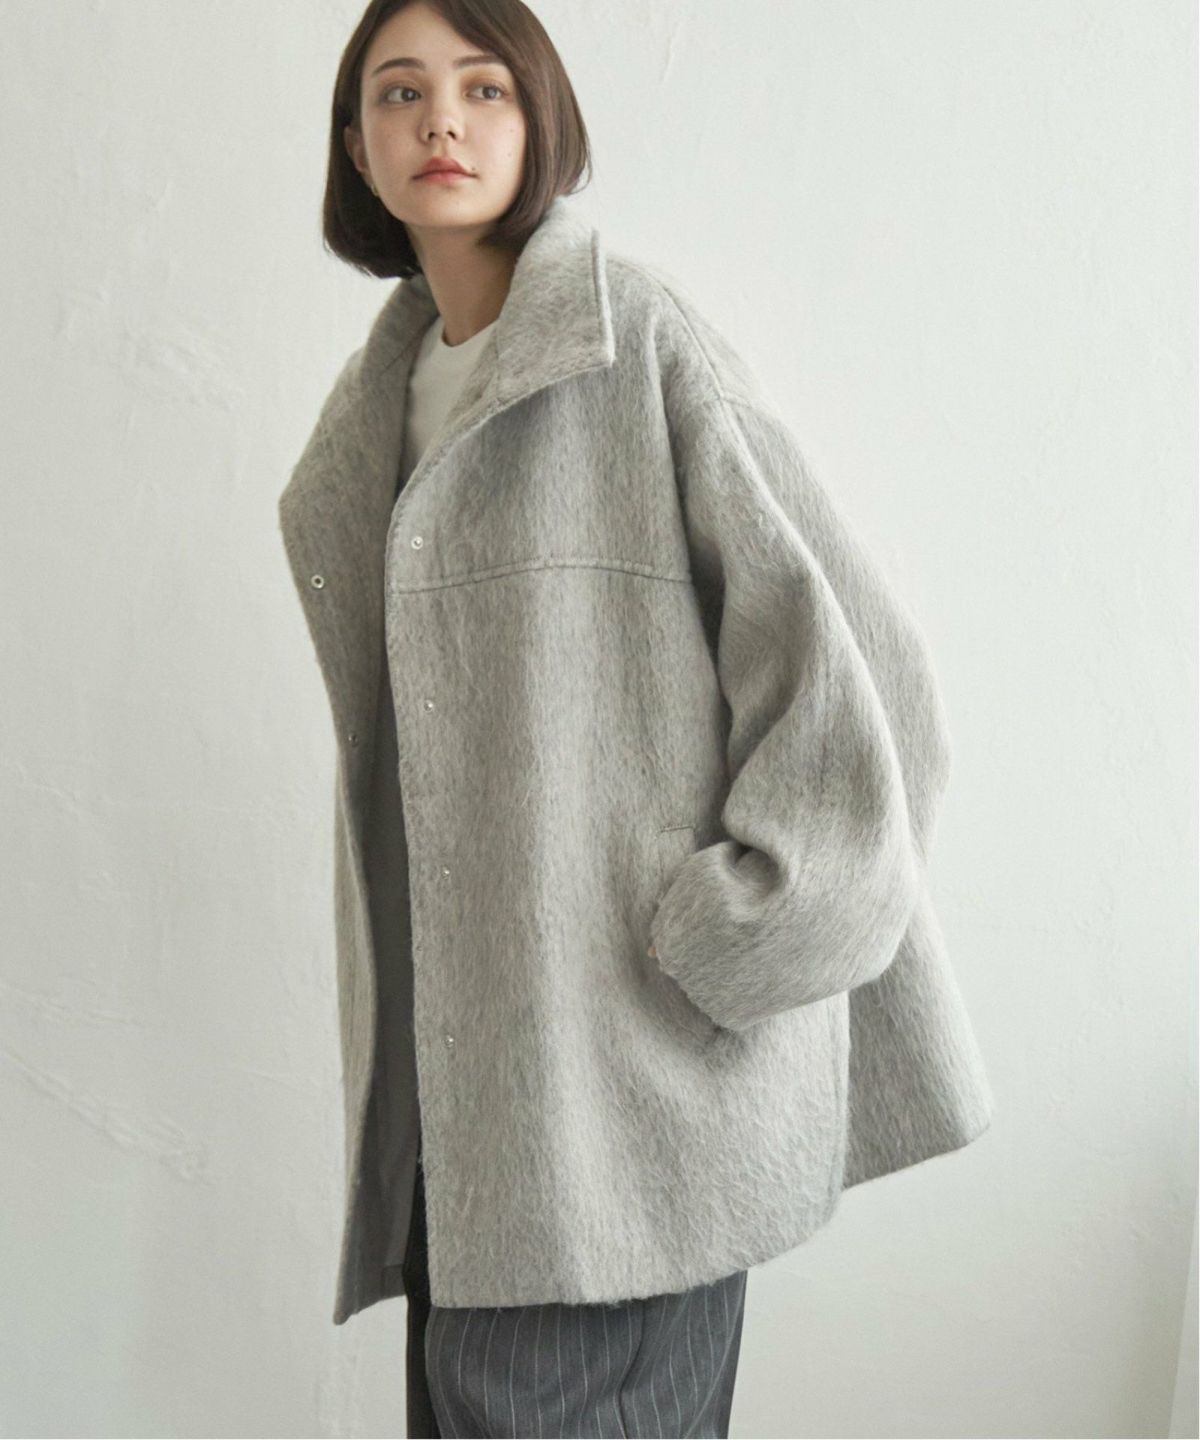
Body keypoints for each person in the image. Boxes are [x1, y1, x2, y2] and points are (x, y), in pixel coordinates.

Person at [279, 0, 994, 1435]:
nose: (441, 120)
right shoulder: (378, 414)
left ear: (540, 118)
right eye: (400, 93)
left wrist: (715, 942)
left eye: (485, 88)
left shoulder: (635, 347)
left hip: (625, 1117)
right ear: (356, 147)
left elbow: (871, 679)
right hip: (469, 1134)